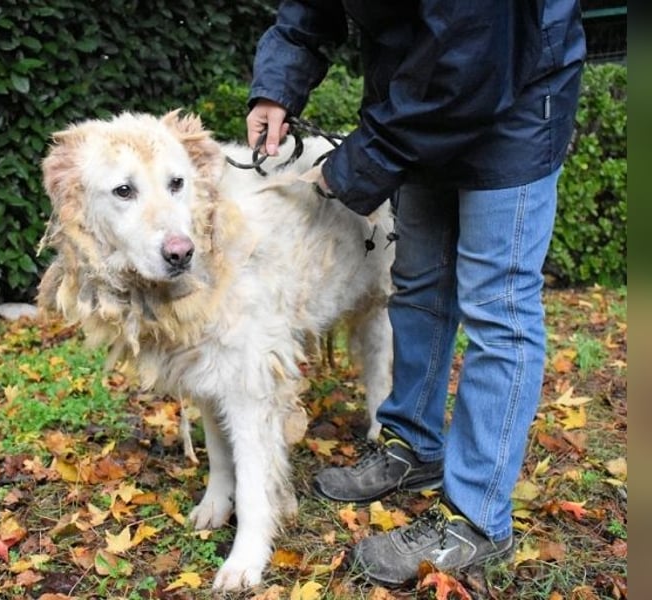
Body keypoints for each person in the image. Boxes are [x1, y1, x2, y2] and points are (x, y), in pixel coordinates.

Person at [246, 1, 586, 587]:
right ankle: (414, 446)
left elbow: (472, 51)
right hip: (421, 99)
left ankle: (478, 519)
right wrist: (275, 87)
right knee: (418, 284)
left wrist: (357, 164)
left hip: (516, 91)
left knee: (497, 307)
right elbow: (309, 6)